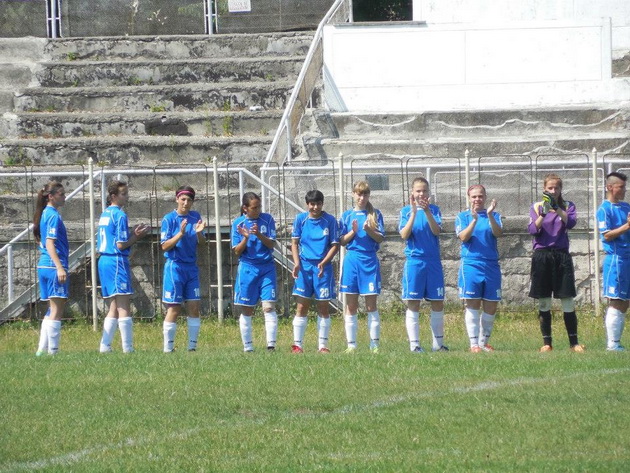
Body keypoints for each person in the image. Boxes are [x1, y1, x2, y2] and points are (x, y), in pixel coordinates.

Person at [528, 174, 584, 352]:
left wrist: (557, 208)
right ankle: (547, 343)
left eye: (556, 188)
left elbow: (571, 223)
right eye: (550, 188)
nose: (553, 191)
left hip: (561, 256)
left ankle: (574, 343)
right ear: (544, 189)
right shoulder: (537, 206)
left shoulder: (568, 205)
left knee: (567, 299)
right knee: (544, 301)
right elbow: (533, 230)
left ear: (560, 189)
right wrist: (544, 213)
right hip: (542, 256)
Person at [97, 181, 149, 353]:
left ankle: (105, 346)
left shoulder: (105, 213)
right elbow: (120, 245)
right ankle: (128, 348)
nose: (127, 197)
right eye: (123, 194)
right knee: (123, 305)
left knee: (113, 305)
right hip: (116, 260)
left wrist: (132, 233)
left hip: (103, 260)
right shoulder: (119, 215)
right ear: (113, 196)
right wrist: (136, 237)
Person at [399, 177, 448, 353]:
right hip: (415, 262)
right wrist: (413, 213)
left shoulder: (434, 210)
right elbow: (404, 235)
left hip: (433, 262)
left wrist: (426, 212)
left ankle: (438, 345)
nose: (421, 194)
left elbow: (436, 231)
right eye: (418, 191)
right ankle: (415, 345)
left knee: (437, 302)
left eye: (424, 190)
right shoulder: (406, 211)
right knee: (413, 302)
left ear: (429, 192)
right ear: (412, 193)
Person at [291, 190, 339, 353]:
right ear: (307, 204)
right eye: (312, 204)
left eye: (318, 204)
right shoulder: (300, 219)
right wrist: (297, 263)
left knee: (323, 307)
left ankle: (323, 346)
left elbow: (335, 245)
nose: (315, 207)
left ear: (322, 204)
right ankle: (297, 345)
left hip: (323, 269)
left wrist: (324, 262)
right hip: (305, 268)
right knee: (301, 306)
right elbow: (294, 243)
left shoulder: (330, 220)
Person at [456, 184, 502, 353]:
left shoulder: (494, 215)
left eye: (480, 196)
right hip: (471, 264)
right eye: (474, 196)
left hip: (491, 265)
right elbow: (463, 237)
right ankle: (474, 344)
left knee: (491, 305)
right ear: (469, 198)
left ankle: (484, 343)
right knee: (472, 303)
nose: (477, 199)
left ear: (485, 197)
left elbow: (498, 233)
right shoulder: (463, 216)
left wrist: (489, 215)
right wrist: (474, 220)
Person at [339, 181, 385, 353]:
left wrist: (368, 230)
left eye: (365, 194)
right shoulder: (346, 216)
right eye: (359, 194)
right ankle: (351, 345)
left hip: (369, 261)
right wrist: (353, 231)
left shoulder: (375, 214)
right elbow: (341, 241)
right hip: (352, 261)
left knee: (371, 305)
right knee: (351, 305)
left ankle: (374, 345)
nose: (362, 197)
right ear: (353, 194)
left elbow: (380, 238)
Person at [160, 186, 206, 353]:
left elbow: (202, 243)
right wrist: (180, 234)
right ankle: (168, 349)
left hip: (191, 268)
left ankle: (192, 348)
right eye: (183, 199)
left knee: (194, 307)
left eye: (189, 200)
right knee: (174, 308)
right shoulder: (169, 219)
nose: (186, 203)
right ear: (177, 199)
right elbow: (164, 246)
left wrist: (199, 233)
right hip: (175, 267)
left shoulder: (195, 217)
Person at [232, 192, 278, 352]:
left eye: (259, 207)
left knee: (269, 307)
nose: (258, 210)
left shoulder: (267, 219)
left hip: (267, 268)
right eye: (254, 208)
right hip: (247, 269)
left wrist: (258, 234)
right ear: (245, 208)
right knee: (247, 309)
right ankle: (248, 347)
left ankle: (271, 346)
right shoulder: (238, 223)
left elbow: (271, 244)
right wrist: (245, 238)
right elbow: (236, 251)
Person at [34, 181, 68, 356]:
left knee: (50, 309)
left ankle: (42, 350)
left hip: (43, 265)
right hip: (53, 266)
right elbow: (49, 243)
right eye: (61, 194)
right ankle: (53, 352)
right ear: (51, 196)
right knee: (57, 310)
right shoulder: (53, 215)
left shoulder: (44, 213)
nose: (64, 197)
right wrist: (60, 267)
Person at [597, 171, 630, 351]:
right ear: (610, 187)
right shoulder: (604, 209)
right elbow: (607, 235)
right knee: (616, 300)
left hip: (628, 259)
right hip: (616, 260)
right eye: (621, 187)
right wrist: (627, 226)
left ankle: (617, 342)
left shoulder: (626, 207)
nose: (624, 190)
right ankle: (612, 344)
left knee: (625, 301)